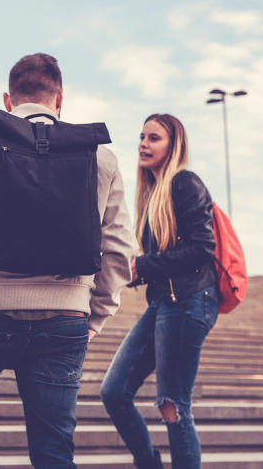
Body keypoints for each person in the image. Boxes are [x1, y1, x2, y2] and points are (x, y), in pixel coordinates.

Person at [0, 53, 136, 468]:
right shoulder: (100, 156)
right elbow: (119, 247)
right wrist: (95, 315)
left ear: (8, 99)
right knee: (53, 449)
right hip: (65, 318)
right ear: (60, 98)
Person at [99, 114, 219, 469]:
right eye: (141, 137)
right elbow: (159, 259)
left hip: (190, 300)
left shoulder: (185, 183)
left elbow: (202, 249)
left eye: (154, 138)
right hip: (164, 303)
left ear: (174, 145)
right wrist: (130, 271)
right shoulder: (153, 194)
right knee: (114, 391)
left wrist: (145, 266)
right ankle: (149, 463)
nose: (144, 143)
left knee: (173, 403)